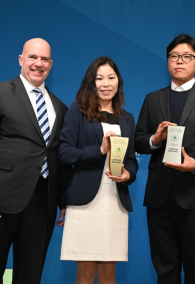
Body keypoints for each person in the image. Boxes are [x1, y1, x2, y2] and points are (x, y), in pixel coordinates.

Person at [135, 33, 195, 284]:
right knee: (165, 270)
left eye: (187, 56)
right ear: (167, 60)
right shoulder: (152, 98)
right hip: (159, 198)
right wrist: (155, 140)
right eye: (174, 56)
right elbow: (138, 141)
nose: (180, 61)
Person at [57, 56, 138, 284]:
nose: (105, 84)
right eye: (99, 78)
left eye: (111, 78)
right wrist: (99, 149)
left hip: (114, 201)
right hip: (85, 203)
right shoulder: (77, 112)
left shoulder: (127, 119)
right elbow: (65, 154)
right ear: (91, 83)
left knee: (108, 274)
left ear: (118, 82)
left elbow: (131, 160)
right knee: (84, 273)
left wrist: (127, 175)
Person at [0, 38, 71, 284]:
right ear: (21, 59)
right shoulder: (1, 93)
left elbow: (61, 158)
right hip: (3, 199)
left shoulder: (60, 108)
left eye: (44, 59)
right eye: (32, 57)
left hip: (43, 203)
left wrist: (62, 199)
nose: (38, 64)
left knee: (30, 276)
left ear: (50, 64)